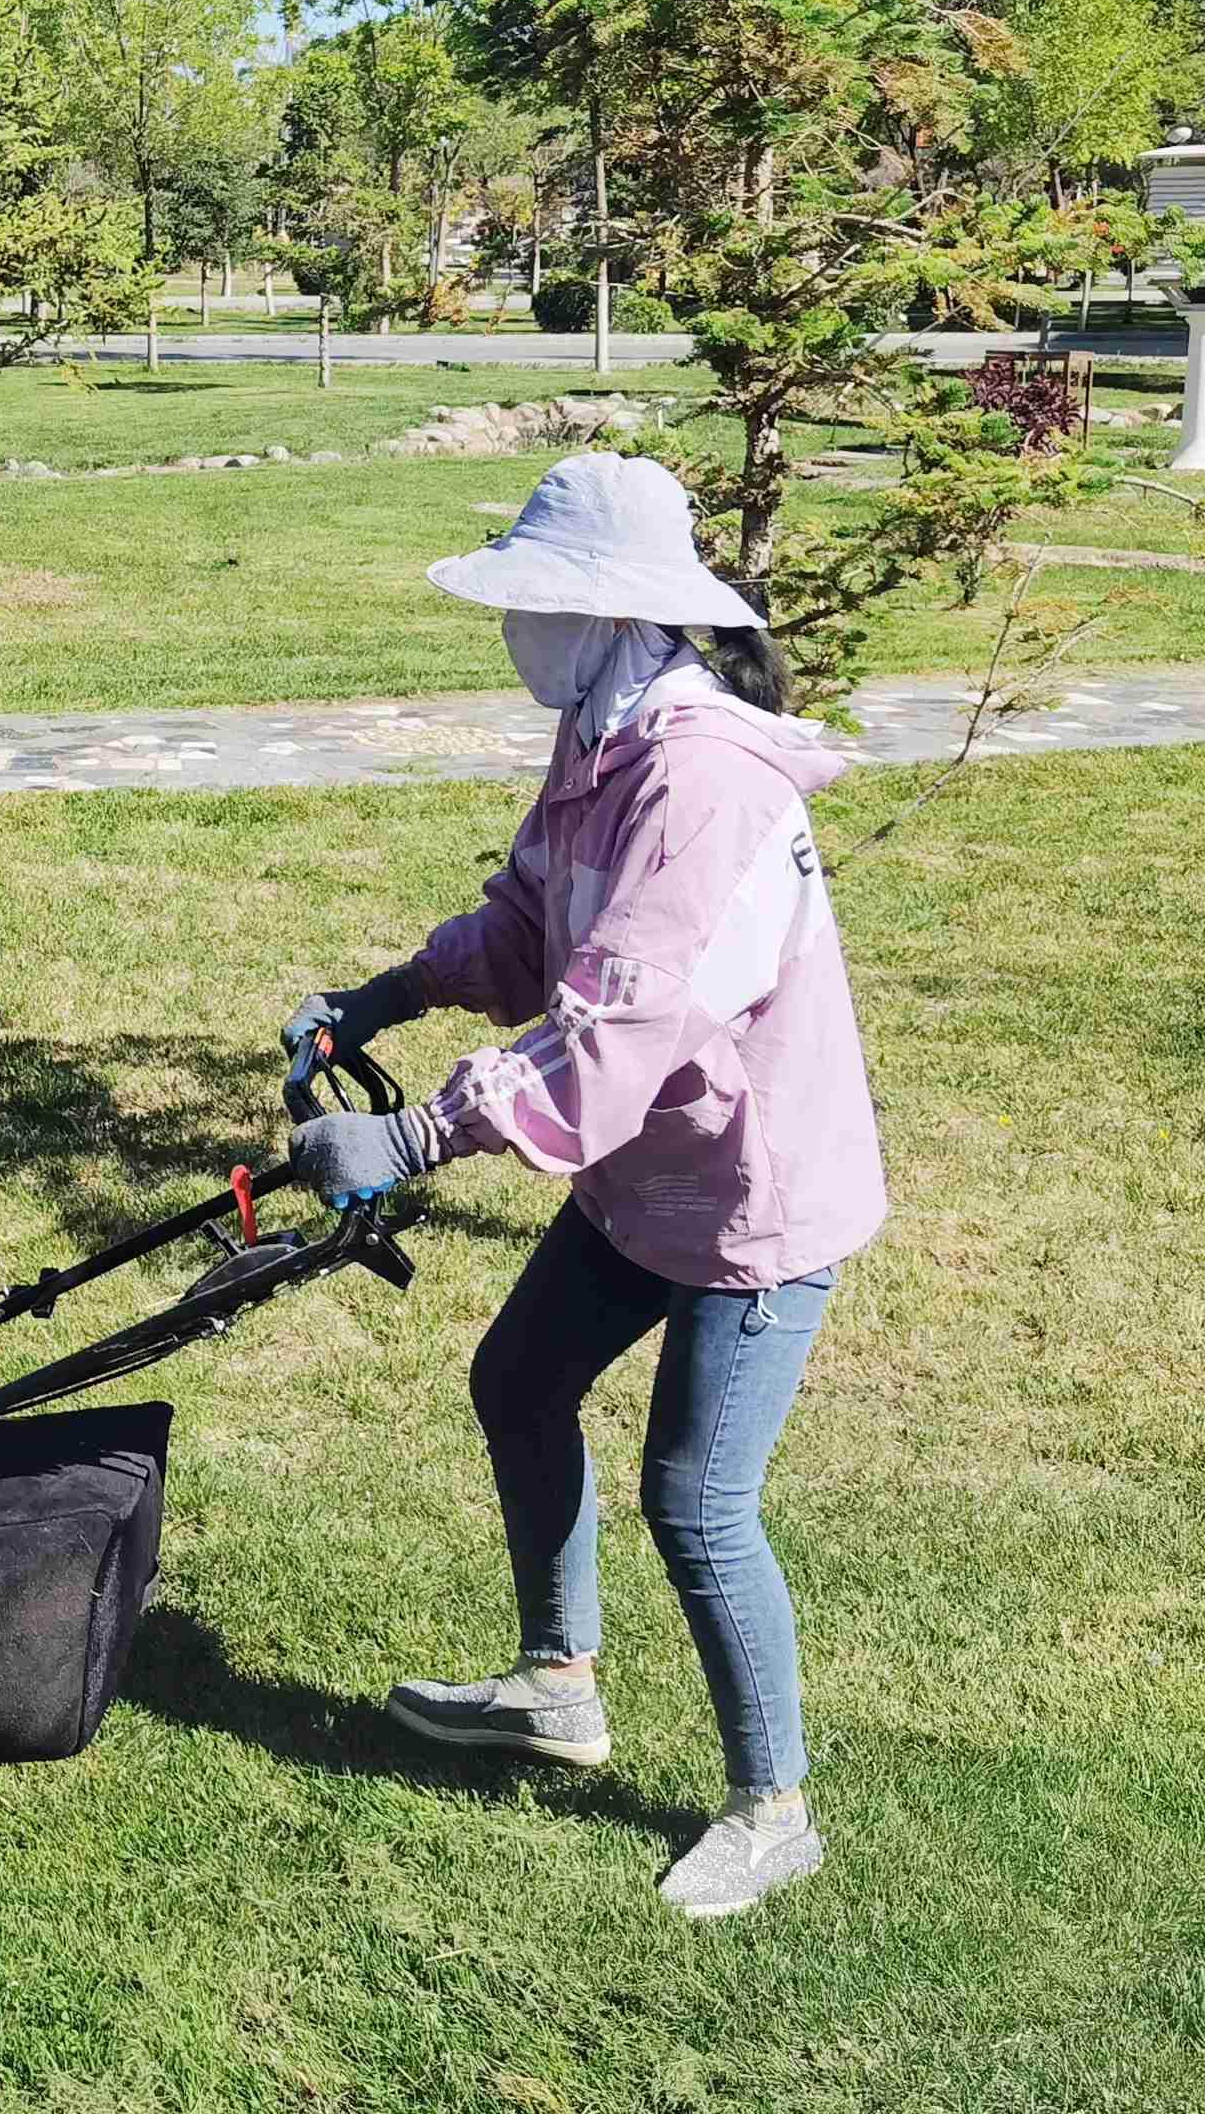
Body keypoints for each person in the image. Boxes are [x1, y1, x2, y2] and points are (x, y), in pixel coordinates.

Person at [280, 452, 884, 1922]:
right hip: (644, 1167)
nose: (515, 628)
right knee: (520, 1379)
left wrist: (419, 1140)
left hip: (752, 1190)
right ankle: (557, 1687)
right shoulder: (601, 738)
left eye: (537, 602)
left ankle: (773, 1804)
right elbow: (528, 917)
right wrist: (385, 995)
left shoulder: (697, 781)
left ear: (615, 617)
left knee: (698, 1498)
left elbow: (620, 1027)